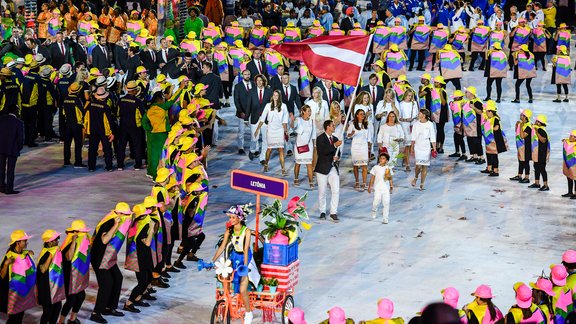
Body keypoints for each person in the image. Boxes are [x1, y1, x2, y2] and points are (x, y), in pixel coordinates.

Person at [211, 204, 258, 324]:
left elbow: (246, 249)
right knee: (224, 277)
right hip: (234, 257)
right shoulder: (229, 230)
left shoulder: (246, 231)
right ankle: (226, 301)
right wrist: (212, 260)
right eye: (230, 217)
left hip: (245, 258)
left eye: (232, 217)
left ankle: (248, 313)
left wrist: (245, 267)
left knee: (243, 289)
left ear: (239, 218)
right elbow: (222, 247)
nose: (230, 220)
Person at [90, 202, 133, 323]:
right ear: (118, 214)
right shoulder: (110, 222)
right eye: (126, 215)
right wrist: (116, 224)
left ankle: (109, 307)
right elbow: (104, 240)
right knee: (106, 284)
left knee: (117, 278)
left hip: (108, 256)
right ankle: (96, 312)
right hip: (100, 257)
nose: (128, 217)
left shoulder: (118, 219)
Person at [142, 83, 183, 178]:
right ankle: (158, 174)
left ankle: (150, 172)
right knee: (160, 154)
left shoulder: (149, 110)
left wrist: (150, 129)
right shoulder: (163, 107)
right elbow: (173, 99)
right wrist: (180, 88)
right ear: (160, 100)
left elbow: (144, 122)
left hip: (151, 135)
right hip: (161, 135)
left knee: (151, 153)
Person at [123, 204, 154, 314]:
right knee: (143, 282)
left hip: (144, 256)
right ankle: (129, 303)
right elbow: (148, 242)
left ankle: (137, 298)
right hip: (139, 258)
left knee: (149, 277)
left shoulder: (137, 223)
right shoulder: (143, 226)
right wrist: (151, 228)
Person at [0, 230, 36, 323]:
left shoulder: (24, 253)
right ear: (18, 243)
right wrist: (6, 264)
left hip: (22, 292)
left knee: (20, 315)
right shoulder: (9, 256)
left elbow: (22, 255)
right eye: (24, 240)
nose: (26, 242)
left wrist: (28, 252)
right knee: (14, 318)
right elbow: (2, 275)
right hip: (13, 294)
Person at [59, 220, 91, 324]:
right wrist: (73, 241)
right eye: (82, 232)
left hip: (77, 276)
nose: (85, 234)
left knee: (81, 296)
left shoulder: (82, 241)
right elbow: (68, 257)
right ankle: (61, 322)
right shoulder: (70, 243)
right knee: (71, 300)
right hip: (69, 276)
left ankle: (72, 318)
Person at [254, 90, 289, 176]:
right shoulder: (268, 105)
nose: (275, 97)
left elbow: (285, 121)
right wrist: (257, 129)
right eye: (274, 95)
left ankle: (283, 169)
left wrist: (286, 131)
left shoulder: (284, 106)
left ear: (279, 97)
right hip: (271, 130)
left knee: (281, 149)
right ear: (272, 96)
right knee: (269, 149)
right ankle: (266, 164)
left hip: (280, 130)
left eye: (277, 95)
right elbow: (262, 118)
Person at [315, 120, 342, 223]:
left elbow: (337, 153)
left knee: (336, 190)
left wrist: (337, 157)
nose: (334, 127)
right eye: (332, 125)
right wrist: (334, 146)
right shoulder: (320, 138)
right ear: (327, 127)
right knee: (322, 192)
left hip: (332, 168)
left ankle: (333, 212)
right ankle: (322, 211)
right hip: (322, 169)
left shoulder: (335, 139)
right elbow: (322, 152)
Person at [37, 230, 65, 324]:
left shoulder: (55, 250)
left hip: (55, 288)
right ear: (49, 242)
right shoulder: (47, 253)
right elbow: (42, 269)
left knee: (57, 308)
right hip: (47, 289)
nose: (57, 241)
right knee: (48, 312)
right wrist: (50, 256)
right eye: (55, 239)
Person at [85, 87, 115, 172]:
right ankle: (109, 166)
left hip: (93, 130)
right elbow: (108, 120)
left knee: (92, 148)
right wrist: (111, 132)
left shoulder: (90, 104)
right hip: (104, 131)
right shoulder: (105, 106)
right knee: (107, 149)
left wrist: (87, 129)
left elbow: (86, 117)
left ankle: (91, 166)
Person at [117, 81, 144, 170]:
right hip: (135, 126)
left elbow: (117, 113)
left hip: (123, 126)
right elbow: (142, 114)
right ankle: (137, 165)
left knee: (121, 146)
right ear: (134, 90)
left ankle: (120, 165)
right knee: (137, 145)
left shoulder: (120, 100)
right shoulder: (137, 101)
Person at [246, 74, 272, 162]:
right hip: (255, 118)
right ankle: (252, 150)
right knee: (254, 138)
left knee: (265, 139)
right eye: (257, 81)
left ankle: (263, 158)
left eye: (261, 80)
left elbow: (271, 106)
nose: (259, 82)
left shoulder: (269, 91)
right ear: (255, 82)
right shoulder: (251, 91)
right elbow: (248, 105)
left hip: (265, 119)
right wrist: (246, 118)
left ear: (264, 81)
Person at [410, 109, 436, 190]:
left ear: (424, 115)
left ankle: (422, 183)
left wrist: (434, 148)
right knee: (418, 165)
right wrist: (412, 147)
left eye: (420, 113)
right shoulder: (415, 124)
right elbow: (413, 137)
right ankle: (416, 177)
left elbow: (432, 137)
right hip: (418, 146)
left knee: (424, 166)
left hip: (426, 146)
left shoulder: (430, 124)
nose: (418, 114)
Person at [0, 105, 24, 195]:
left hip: (1, 148)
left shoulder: (1, 119)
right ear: (15, 111)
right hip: (12, 148)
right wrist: (19, 147)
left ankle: (1, 186)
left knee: (1, 168)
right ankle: (9, 189)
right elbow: (20, 138)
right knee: (10, 170)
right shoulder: (18, 122)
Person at [61, 82, 85, 168]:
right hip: (76, 124)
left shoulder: (66, 99)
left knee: (67, 144)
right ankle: (78, 162)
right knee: (78, 144)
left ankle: (66, 161)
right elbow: (81, 113)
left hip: (67, 124)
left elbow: (64, 113)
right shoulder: (77, 101)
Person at [348, 109, 372, 191]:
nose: (362, 116)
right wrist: (351, 134)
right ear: (357, 115)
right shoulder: (352, 124)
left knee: (364, 165)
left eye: (363, 114)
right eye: (361, 114)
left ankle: (364, 182)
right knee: (355, 165)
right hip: (355, 147)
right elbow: (348, 135)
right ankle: (357, 181)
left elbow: (369, 135)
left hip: (364, 147)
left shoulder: (366, 124)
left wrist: (369, 144)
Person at [292, 105, 316, 188]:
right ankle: (296, 178)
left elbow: (314, 134)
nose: (310, 113)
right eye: (308, 111)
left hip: (309, 146)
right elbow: (292, 127)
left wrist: (314, 145)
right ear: (303, 112)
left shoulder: (312, 122)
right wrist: (292, 120)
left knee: (309, 164)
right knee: (298, 163)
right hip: (299, 145)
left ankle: (311, 181)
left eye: (310, 111)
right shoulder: (298, 120)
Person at [367, 152, 394, 224]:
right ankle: (374, 210)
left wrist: (391, 186)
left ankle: (385, 218)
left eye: (383, 158)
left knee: (386, 203)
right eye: (380, 158)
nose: (381, 160)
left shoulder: (388, 168)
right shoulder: (375, 168)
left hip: (386, 189)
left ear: (387, 161)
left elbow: (390, 178)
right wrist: (370, 186)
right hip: (378, 188)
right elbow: (372, 178)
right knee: (376, 201)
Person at [233, 69, 253, 155]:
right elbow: (236, 100)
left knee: (254, 131)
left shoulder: (254, 84)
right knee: (241, 132)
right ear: (242, 75)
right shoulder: (238, 86)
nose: (247, 76)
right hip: (242, 113)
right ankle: (240, 147)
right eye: (245, 74)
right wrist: (241, 111)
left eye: (248, 74)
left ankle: (253, 148)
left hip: (253, 113)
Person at [398, 88, 418, 172]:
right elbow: (399, 116)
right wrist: (406, 120)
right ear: (405, 95)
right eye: (408, 95)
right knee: (407, 144)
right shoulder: (401, 104)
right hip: (404, 125)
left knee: (410, 145)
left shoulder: (414, 103)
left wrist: (412, 119)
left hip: (412, 124)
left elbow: (417, 114)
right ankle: (407, 164)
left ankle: (406, 160)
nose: (409, 97)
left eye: (411, 96)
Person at [510, 110, 532, 184]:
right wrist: (517, 126)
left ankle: (527, 177)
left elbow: (522, 136)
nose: (520, 115)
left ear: (525, 117)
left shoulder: (528, 126)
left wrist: (521, 126)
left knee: (525, 162)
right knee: (520, 161)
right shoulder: (522, 124)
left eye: (522, 114)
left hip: (526, 147)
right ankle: (519, 175)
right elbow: (517, 133)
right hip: (520, 146)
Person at [529, 114, 550, 191]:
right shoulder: (537, 128)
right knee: (536, 167)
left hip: (542, 153)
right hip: (537, 153)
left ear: (541, 123)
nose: (536, 122)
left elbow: (543, 140)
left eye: (538, 121)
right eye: (536, 121)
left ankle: (546, 185)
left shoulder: (541, 130)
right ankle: (537, 183)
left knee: (542, 169)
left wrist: (537, 132)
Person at [562, 130, 576, 199]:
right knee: (569, 177)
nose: (570, 137)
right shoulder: (567, 142)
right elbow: (566, 140)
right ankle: (570, 192)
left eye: (571, 136)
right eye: (570, 136)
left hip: (574, 164)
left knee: (575, 178)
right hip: (568, 164)